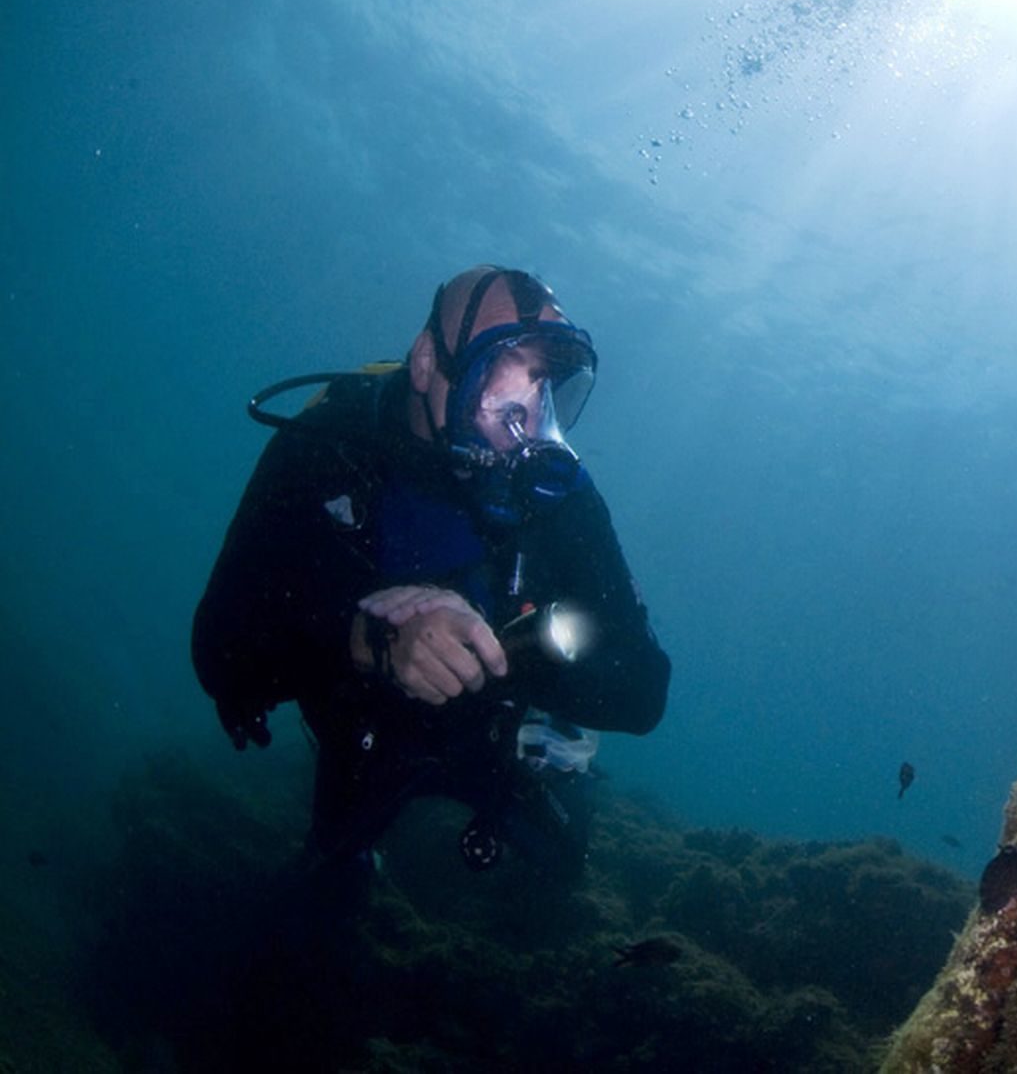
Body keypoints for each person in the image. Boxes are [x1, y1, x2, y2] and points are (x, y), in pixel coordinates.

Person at [193, 266, 671, 888]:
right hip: (361, 729)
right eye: (495, 389)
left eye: (544, 389)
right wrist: (369, 640)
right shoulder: (329, 445)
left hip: (493, 736)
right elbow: (219, 651)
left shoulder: (556, 493)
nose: (521, 428)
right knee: (331, 878)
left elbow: (644, 692)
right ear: (427, 362)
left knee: (560, 875)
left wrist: (507, 657)